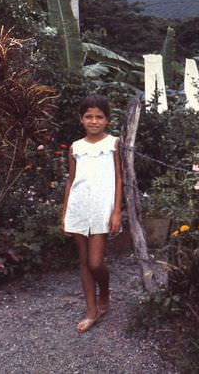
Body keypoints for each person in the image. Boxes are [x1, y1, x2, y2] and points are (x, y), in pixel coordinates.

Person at [61, 94, 123, 333]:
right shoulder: (76, 147)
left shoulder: (114, 144)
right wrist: (66, 212)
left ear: (107, 120)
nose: (94, 121)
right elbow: (71, 181)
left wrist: (116, 211)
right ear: (81, 119)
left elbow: (119, 178)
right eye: (89, 117)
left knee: (96, 262)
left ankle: (104, 292)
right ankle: (91, 311)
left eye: (99, 117)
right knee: (84, 261)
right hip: (79, 207)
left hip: (101, 208)